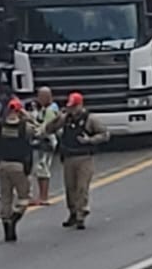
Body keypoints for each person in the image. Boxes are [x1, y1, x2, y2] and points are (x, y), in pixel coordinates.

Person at [47, 92, 109, 229]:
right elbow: (49, 129)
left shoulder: (90, 119)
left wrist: (90, 140)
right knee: (70, 188)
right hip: (69, 157)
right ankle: (73, 212)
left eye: (74, 107)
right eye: (70, 107)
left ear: (81, 105)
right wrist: (57, 119)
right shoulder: (66, 119)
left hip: (84, 157)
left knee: (82, 187)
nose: (72, 110)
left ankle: (81, 214)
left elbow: (105, 134)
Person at [0, 98, 35, 242]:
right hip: (19, 166)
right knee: (24, 198)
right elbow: (39, 130)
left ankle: (7, 228)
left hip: (3, 165)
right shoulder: (25, 127)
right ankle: (15, 218)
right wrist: (28, 116)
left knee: (5, 198)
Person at [28, 87, 60, 205]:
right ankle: (39, 196)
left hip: (45, 143)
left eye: (40, 97)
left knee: (42, 169)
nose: (38, 99)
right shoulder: (45, 109)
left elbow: (45, 128)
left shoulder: (50, 111)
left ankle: (43, 196)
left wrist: (32, 123)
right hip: (43, 143)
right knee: (37, 169)